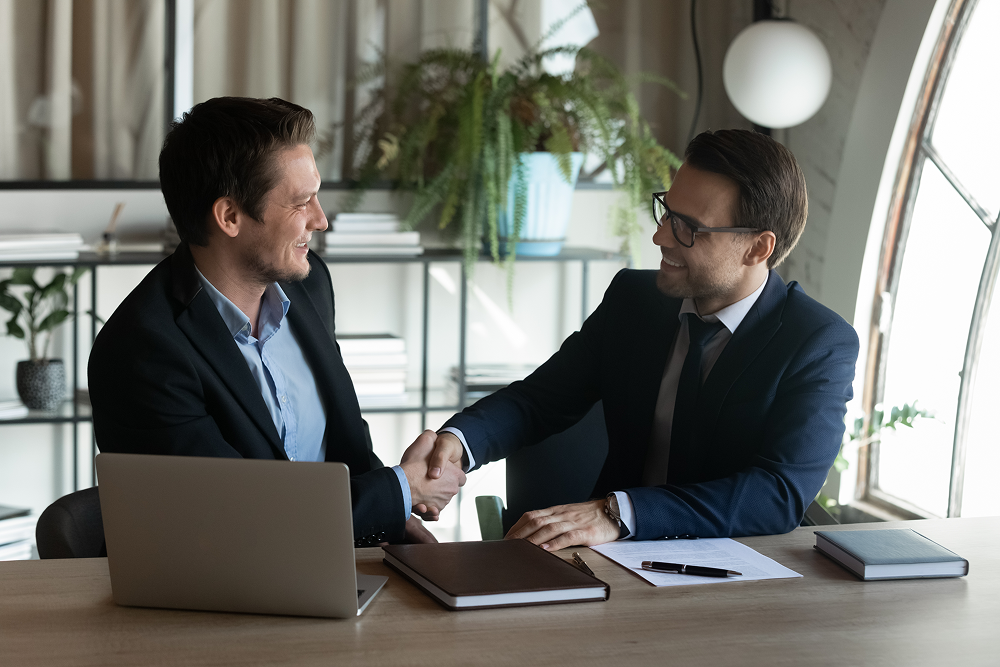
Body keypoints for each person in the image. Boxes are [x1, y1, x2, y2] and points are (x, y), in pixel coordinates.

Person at [418, 129, 860, 550]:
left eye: (688, 227)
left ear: (758, 248)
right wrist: (458, 443)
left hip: (737, 582)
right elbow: (539, 400)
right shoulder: (634, 300)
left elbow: (777, 494)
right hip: (606, 564)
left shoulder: (818, 343)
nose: (659, 235)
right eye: (666, 211)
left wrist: (618, 513)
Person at [88, 97, 465, 546]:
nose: (321, 220)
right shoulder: (140, 351)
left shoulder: (309, 285)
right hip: (225, 597)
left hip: (338, 564)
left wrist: (392, 517)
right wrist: (400, 490)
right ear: (229, 216)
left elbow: (344, 449)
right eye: (301, 202)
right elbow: (240, 521)